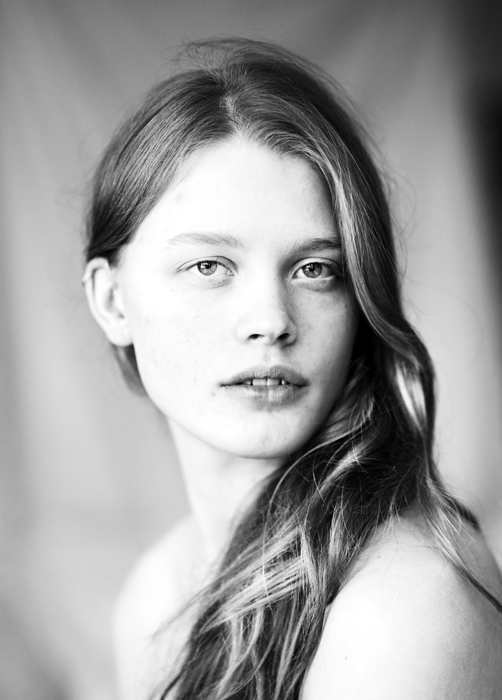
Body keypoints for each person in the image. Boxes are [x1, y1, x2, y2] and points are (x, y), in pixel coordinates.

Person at [83, 38, 502, 700]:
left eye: (314, 269)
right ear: (112, 302)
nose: (271, 320)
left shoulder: (400, 611)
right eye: (209, 266)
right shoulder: (156, 595)